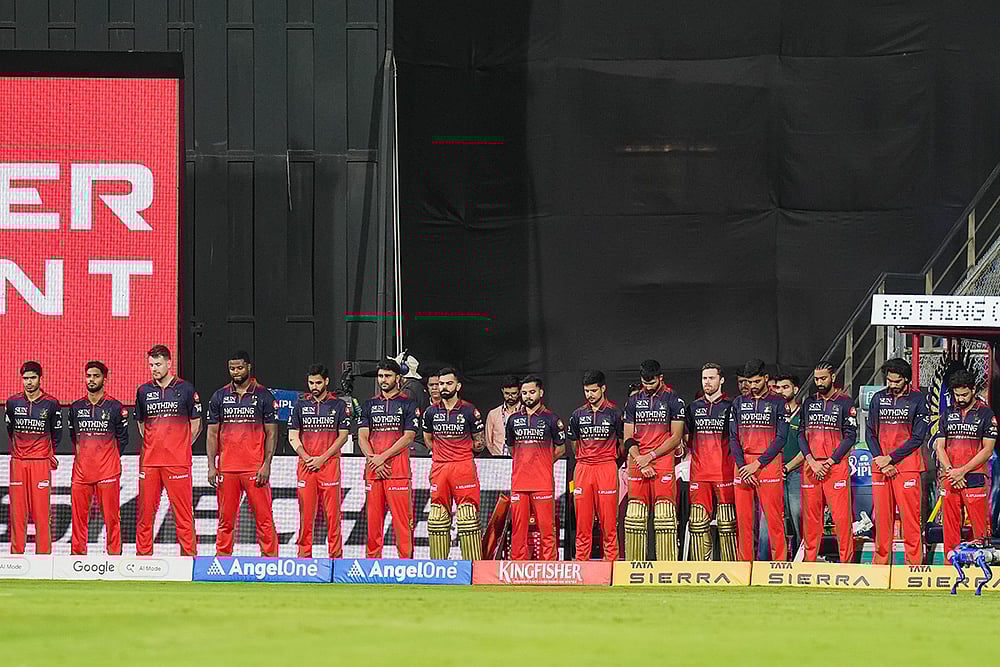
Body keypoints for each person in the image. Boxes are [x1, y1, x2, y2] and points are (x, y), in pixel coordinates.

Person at [206, 351, 279, 557]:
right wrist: (212, 465)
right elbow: (212, 433)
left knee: (264, 518)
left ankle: (270, 559)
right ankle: (222, 559)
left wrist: (266, 464)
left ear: (248, 367)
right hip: (227, 468)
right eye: (232, 368)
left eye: (240, 368)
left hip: (254, 468)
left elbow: (272, 433)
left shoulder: (264, 395)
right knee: (225, 519)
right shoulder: (219, 396)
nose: (236, 372)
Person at [134, 344, 201, 556]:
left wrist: (179, 446)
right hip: (150, 462)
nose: (154, 368)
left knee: (183, 514)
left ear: (169, 363)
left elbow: (197, 423)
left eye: (158, 364)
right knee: (145, 514)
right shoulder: (143, 391)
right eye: (151, 365)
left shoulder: (186, 389)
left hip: (177, 462)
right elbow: (142, 424)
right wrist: (156, 444)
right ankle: (143, 558)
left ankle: (189, 558)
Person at [866, 358, 929, 565]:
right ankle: (881, 566)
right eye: (889, 381)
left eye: (897, 381)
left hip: (907, 467)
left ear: (907, 379)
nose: (892, 385)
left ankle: (914, 566)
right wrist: (881, 461)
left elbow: (918, 437)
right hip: (880, 466)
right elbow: (869, 434)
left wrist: (890, 459)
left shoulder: (919, 399)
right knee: (882, 520)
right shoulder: (878, 398)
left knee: (910, 519)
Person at [623, 359, 686, 561]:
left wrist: (649, 457)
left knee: (664, 516)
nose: (648, 387)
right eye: (645, 383)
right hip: (638, 460)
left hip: (662, 461)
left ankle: (666, 569)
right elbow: (627, 437)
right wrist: (639, 459)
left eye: (652, 383)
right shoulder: (633, 401)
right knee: (635, 516)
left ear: (661, 378)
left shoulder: (673, 399)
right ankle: (634, 569)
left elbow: (675, 437)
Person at [422, 367, 487, 560]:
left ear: (458, 386)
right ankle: (439, 569)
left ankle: (474, 568)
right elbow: (428, 439)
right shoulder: (431, 411)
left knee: (467, 517)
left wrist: (460, 452)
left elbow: (479, 442)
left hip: (463, 465)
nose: (443, 387)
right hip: (440, 466)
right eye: (441, 383)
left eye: (448, 383)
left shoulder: (469, 410)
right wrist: (440, 455)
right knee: (437, 518)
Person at [357, 359, 419, 558]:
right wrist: (374, 459)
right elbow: (362, 437)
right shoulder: (369, 405)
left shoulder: (408, 404)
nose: (383, 380)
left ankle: (406, 564)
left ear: (398, 378)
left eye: (388, 376)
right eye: (381, 376)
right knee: (373, 522)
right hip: (374, 472)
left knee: (402, 522)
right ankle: (372, 563)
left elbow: (408, 437)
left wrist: (381, 458)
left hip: (397, 471)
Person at [288, 364, 351, 558]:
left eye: (318, 382)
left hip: (329, 466)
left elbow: (343, 436)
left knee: (333, 516)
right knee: (306, 515)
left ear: (326, 382)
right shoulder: (300, 406)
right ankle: (303, 556)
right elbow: (292, 435)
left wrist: (322, 458)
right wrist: (307, 457)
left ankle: (335, 557)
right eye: (310, 382)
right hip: (306, 467)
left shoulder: (338, 405)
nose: (314, 386)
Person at [799, 361, 858, 563]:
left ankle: (846, 563)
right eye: (816, 379)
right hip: (811, 466)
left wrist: (830, 461)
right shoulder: (808, 403)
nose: (819, 382)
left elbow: (850, 436)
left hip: (836, 466)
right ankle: (810, 562)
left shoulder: (845, 402)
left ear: (832, 377)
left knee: (841, 519)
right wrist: (811, 460)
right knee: (811, 519)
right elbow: (800, 434)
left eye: (823, 378)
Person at [935, 369, 997, 561]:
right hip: (951, 475)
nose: (960, 398)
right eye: (957, 394)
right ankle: (950, 565)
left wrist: (962, 471)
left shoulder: (986, 413)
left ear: (973, 390)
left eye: (964, 394)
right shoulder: (948, 412)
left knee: (979, 528)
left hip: (975, 475)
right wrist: (951, 471)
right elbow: (940, 446)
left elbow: (987, 450)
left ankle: (980, 567)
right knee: (950, 525)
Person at [68, 361, 128, 555]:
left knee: (111, 518)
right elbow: (74, 437)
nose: (91, 380)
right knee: (78, 519)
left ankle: (114, 556)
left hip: (108, 472)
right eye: (88, 376)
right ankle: (77, 556)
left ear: (105, 379)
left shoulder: (115, 407)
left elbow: (123, 439)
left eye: (96, 376)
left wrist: (108, 458)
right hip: (81, 472)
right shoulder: (76, 407)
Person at [730, 359, 787, 561]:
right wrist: (742, 465)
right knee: (744, 520)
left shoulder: (778, 402)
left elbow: (782, 438)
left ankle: (779, 563)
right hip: (743, 465)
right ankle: (744, 564)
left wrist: (757, 464)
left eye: (756, 381)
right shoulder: (738, 403)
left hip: (767, 464)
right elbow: (733, 438)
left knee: (774, 519)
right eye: (749, 382)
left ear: (765, 378)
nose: (752, 386)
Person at [505, 375, 566, 560]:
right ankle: (517, 565)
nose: (527, 396)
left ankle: (550, 566)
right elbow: (511, 447)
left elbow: (561, 449)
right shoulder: (513, 419)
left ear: (541, 392)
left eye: (532, 392)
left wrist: (543, 461)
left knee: (547, 528)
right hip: (519, 482)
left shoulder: (552, 419)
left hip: (542, 482)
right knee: (518, 529)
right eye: (524, 393)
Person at [5, 361, 61, 555]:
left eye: (33, 378)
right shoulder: (12, 402)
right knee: (17, 513)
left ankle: (44, 558)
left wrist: (44, 453)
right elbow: (10, 430)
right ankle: (17, 557)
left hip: (40, 462)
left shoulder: (51, 403)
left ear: (40, 378)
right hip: (18, 462)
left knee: (41, 513)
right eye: (25, 378)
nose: (29, 382)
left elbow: (57, 435)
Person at [567, 370, 623, 561]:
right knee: (583, 522)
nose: (590, 395)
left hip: (606, 466)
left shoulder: (615, 413)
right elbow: (574, 444)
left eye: (593, 390)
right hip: (583, 468)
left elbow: (622, 444)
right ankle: (582, 564)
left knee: (608, 522)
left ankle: (611, 564)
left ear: (603, 388)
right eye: (586, 391)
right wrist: (585, 459)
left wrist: (608, 459)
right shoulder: (577, 415)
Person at [685, 362, 737, 561]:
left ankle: (731, 568)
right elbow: (686, 438)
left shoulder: (731, 406)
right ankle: (701, 568)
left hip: (724, 471)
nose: (707, 382)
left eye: (711, 378)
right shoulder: (693, 407)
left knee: (727, 522)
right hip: (699, 472)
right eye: (705, 378)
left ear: (721, 380)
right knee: (698, 522)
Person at [758, 374, 805, 558]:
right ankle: (763, 562)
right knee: (767, 520)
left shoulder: (803, 413)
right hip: (770, 471)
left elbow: (807, 449)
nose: (781, 391)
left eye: (786, 387)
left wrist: (787, 467)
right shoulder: (770, 413)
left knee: (797, 516)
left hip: (794, 473)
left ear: (796, 389)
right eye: (778, 388)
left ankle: (800, 560)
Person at [485, 375, 521, 456]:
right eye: (507, 393)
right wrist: (496, 455)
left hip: (520, 459)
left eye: (514, 393)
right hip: (498, 460)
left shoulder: (525, 412)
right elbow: (488, 441)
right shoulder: (493, 414)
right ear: (502, 391)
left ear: (519, 392)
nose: (510, 397)